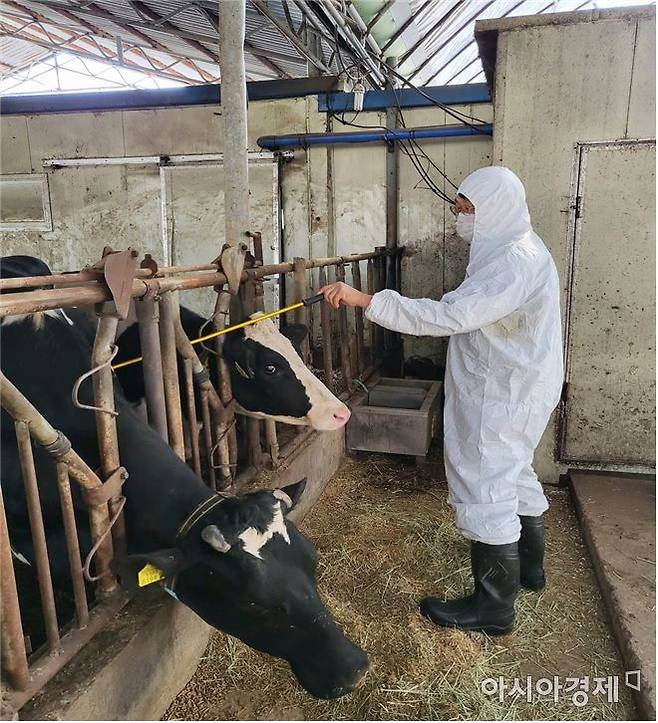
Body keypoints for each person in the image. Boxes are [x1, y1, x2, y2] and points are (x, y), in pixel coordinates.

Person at [320, 166, 563, 635]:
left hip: (503, 388)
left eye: (468, 208)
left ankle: (493, 610)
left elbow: (453, 315)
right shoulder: (520, 249)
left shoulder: (514, 259)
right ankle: (529, 573)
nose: (460, 216)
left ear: (495, 209)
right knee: (515, 472)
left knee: (486, 481)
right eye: (459, 206)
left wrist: (366, 300)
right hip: (520, 382)